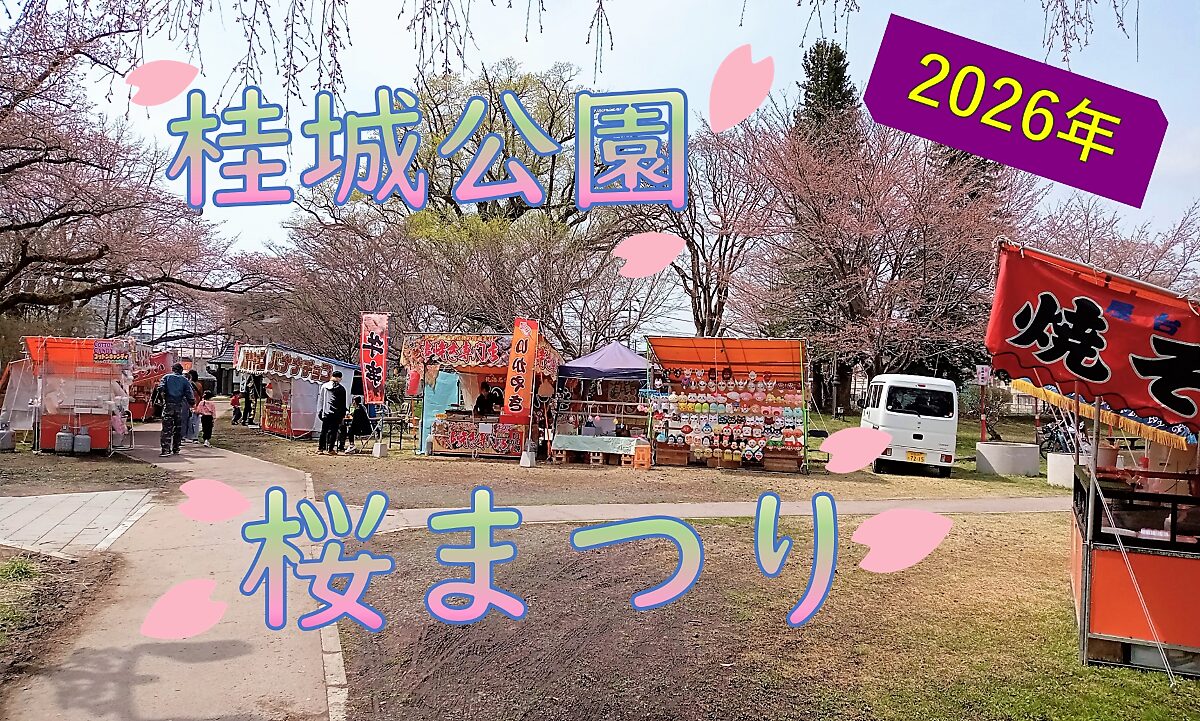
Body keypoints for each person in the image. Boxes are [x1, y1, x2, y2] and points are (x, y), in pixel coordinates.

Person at [158, 363, 195, 456]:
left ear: (173, 369)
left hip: (168, 405)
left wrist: (163, 398)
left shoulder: (166, 377)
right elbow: (189, 393)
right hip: (179, 406)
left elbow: (160, 388)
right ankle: (176, 448)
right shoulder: (184, 380)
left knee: (166, 428)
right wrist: (191, 403)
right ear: (181, 370)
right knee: (178, 428)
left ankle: (165, 449)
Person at [316, 371, 348, 454]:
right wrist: (343, 415)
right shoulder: (341, 389)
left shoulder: (324, 386)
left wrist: (320, 411)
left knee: (324, 431)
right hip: (336, 414)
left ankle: (320, 448)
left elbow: (321, 399)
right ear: (340, 378)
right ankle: (331, 449)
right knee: (334, 432)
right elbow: (343, 404)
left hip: (326, 412)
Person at [183, 370, 203, 442]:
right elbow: (201, 395)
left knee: (187, 420)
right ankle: (195, 436)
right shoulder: (199, 384)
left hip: (189, 404)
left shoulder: (188, 384)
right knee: (196, 422)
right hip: (197, 404)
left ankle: (187, 436)